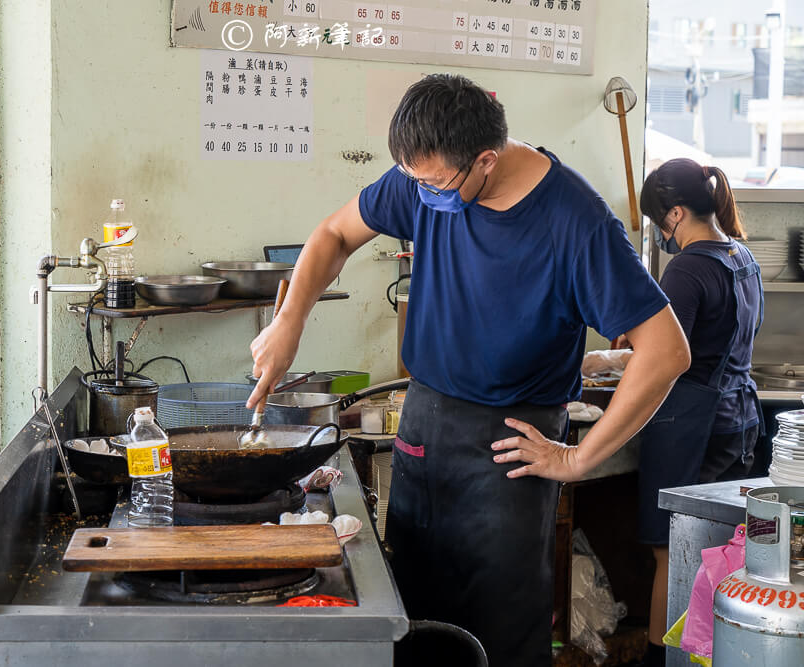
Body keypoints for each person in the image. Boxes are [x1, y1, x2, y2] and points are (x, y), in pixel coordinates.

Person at [246, 74, 690, 666]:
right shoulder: (423, 180)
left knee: (497, 632)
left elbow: (666, 351)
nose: (422, 196)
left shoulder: (575, 222)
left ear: (486, 159)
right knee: (417, 617)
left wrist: (579, 459)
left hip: (512, 445)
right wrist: (289, 323)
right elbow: (333, 233)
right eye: (413, 180)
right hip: (426, 424)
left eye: (433, 183)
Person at [635, 158, 763, 667]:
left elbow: (665, 357)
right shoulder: (743, 257)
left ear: (677, 213)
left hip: (692, 426)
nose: (659, 234)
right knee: (722, 551)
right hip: (740, 419)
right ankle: (716, 654)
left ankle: (659, 661)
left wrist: (609, 360)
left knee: (673, 552)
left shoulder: (688, 268)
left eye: (657, 222)